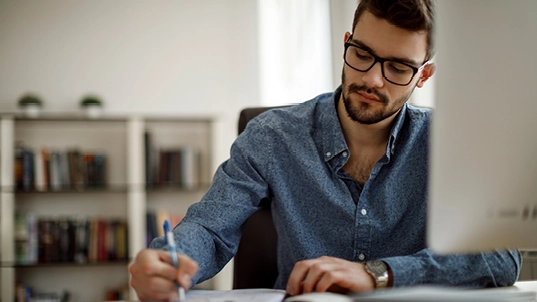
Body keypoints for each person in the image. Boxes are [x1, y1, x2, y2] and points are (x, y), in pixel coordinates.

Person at [129, 0, 521, 300]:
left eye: (398, 68)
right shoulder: (271, 137)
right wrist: (167, 261)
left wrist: (377, 273)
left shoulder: (449, 142)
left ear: (424, 75)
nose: (372, 79)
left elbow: (501, 257)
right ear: (346, 44)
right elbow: (210, 229)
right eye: (362, 55)